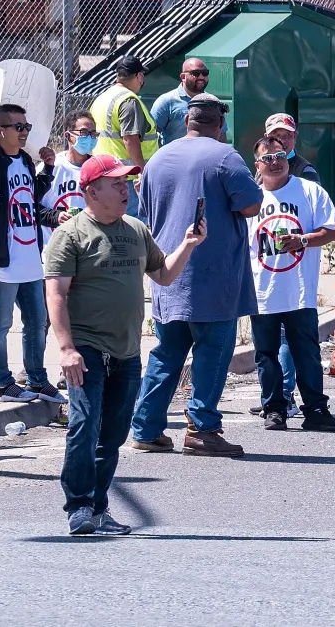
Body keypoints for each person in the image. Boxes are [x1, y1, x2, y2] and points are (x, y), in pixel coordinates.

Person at [46, 154, 205, 535]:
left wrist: (189, 244)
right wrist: (66, 349)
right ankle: (79, 507)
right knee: (84, 425)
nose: (125, 189)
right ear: (90, 191)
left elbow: (164, 275)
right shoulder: (70, 235)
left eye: (125, 182)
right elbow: (55, 295)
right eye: (116, 183)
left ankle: (99, 509)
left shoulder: (135, 229)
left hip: (127, 351)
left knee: (114, 435)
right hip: (85, 349)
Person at [129, 95, 260, 457]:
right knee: (213, 352)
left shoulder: (157, 160)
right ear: (220, 124)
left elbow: (149, 213)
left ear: (187, 120)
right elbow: (250, 204)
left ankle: (146, 427)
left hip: (167, 275)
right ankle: (203, 428)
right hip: (213, 278)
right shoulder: (224, 156)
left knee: (166, 353)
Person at [0, 102, 62, 406]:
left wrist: (47, 170)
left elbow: (29, 205)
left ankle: (37, 379)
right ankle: (2, 382)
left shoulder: (23, 161)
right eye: (18, 127)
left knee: (36, 321)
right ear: (0, 130)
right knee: (1, 323)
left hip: (29, 258)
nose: (23, 133)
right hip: (2, 261)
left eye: (26, 127)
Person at [245, 133, 335, 431]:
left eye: (280, 156)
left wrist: (303, 240)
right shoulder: (249, 199)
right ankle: (274, 408)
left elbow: (332, 229)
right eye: (267, 158)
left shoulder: (310, 192)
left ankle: (315, 409)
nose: (275, 163)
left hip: (299, 290)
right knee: (266, 354)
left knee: (307, 352)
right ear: (257, 165)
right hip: (262, 289)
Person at [88, 54, 159, 179]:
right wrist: (142, 172)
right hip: (127, 177)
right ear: (139, 76)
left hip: (103, 173)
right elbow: (130, 139)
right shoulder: (128, 100)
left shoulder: (101, 98)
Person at [149, 58, 210, 148]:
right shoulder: (166, 101)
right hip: (174, 159)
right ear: (183, 77)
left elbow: (221, 135)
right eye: (196, 73)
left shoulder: (212, 102)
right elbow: (152, 134)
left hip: (205, 159)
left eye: (205, 73)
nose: (201, 77)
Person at [47, 113, 96, 217]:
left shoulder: (98, 168)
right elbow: (34, 205)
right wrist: (55, 217)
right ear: (68, 136)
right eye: (84, 133)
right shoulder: (52, 166)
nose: (89, 138)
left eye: (93, 133)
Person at [262, 113, 319, 182]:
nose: (282, 141)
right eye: (276, 135)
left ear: (295, 136)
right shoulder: (263, 166)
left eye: (288, 135)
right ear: (266, 138)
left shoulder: (305, 171)